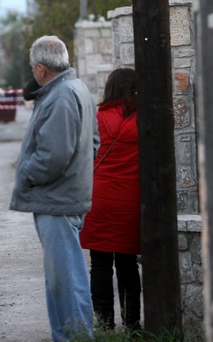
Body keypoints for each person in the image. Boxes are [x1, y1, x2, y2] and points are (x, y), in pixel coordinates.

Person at [9, 35, 100, 341]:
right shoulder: (75, 89)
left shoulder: (61, 95)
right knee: (63, 277)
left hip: (58, 200)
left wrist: (26, 173)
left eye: (33, 66)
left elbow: (54, 156)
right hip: (65, 196)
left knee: (65, 278)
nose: (32, 71)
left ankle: (76, 336)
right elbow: (94, 144)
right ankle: (69, 334)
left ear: (41, 68)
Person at [79, 68, 141, 331]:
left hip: (100, 199)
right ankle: (132, 324)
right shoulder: (144, 118)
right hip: (131, 198)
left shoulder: (98, 116)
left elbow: (84, 155)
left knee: (101, 263)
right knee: (127, 263)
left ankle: (104, 325)